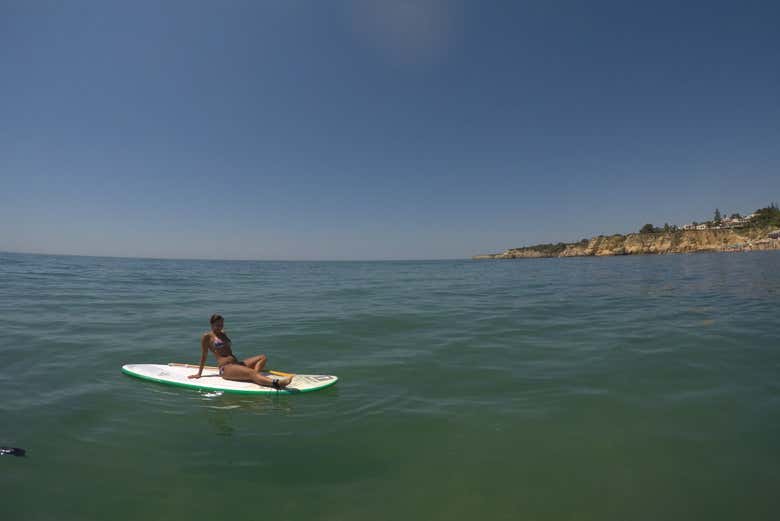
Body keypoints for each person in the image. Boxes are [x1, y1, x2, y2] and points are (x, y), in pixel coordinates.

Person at [188, 314, 293, 389]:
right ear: (211, 324)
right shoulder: (207, 337)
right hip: (226, 368)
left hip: (236, 364)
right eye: (217, 325)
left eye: (221, 324)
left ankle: (255, 377)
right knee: (251, 373)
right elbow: (204, 355)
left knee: (262, 357)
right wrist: (199, 373)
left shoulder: (223, 333)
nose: (220, 327)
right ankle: (276, 383)